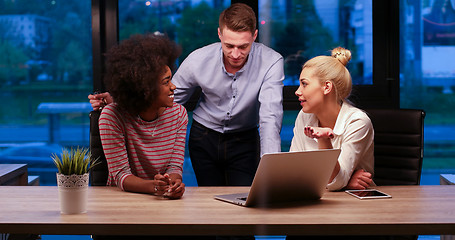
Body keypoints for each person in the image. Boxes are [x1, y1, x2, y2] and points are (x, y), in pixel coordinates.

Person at [89, 3, 285, 188]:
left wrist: (272, 170)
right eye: (228, 46)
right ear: (219, 34)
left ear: (254, 36)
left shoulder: (271, 61)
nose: (235, 54)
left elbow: (270, 116)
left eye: (243, 47)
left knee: (244, 200)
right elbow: (161, 95)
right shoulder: (198, 59)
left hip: (245, 139)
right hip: (204, 138)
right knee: (211, 202)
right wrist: (123, 100)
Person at [98, 33, 187, 199]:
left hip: (162, 201)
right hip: (121, 201)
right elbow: (120, 175)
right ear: (145, 89)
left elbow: (174, 167)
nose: (173, 87)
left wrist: (173, 184)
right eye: (166, 82)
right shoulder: (111, 116)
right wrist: (153, 187)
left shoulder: (179, 114)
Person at [289, 47, 374, 191]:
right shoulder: (304, 116)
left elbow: (335, 182)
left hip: (356, 205)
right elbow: (292, 173)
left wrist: (324, 140)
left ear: (327, 87)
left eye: (304, 84)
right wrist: (346, 181)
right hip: (314, 201)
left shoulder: (358, 122)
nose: (297, 91)